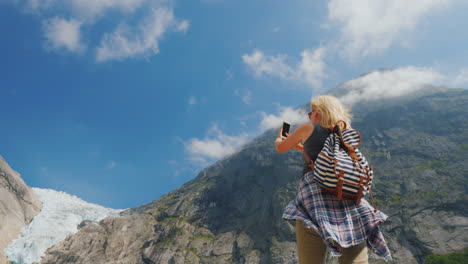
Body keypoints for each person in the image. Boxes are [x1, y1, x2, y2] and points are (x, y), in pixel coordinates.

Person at [275, 95, 391, 264]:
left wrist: (280, 138)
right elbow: (317, 152)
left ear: (319, 112)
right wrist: (299, 145)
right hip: (349, 201)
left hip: (315, 199)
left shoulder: (309, 128)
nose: (309, 116)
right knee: (355, 260)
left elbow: (281, 148)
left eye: (311, 112)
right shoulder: (344, 135)